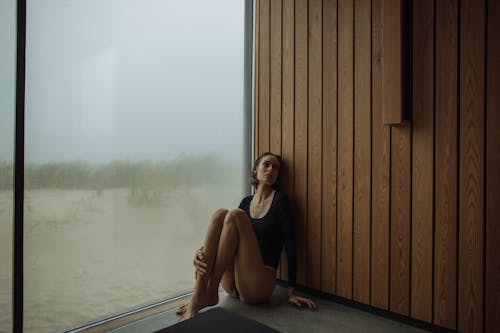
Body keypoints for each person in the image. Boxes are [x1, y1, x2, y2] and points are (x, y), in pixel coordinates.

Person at [177, 152, 316, 322]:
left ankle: (210, 293)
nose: (271, 169)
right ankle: (198, 295)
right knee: (220, 214)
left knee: (234, 215)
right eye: (266, 164)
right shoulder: (246, 202)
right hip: (233, 283)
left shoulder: (280, 200)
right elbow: (226, 238)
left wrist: (291, 291)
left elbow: (291, 244)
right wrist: (201, 252)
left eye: (276, 168)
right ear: (255, 170)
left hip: (259, 284)